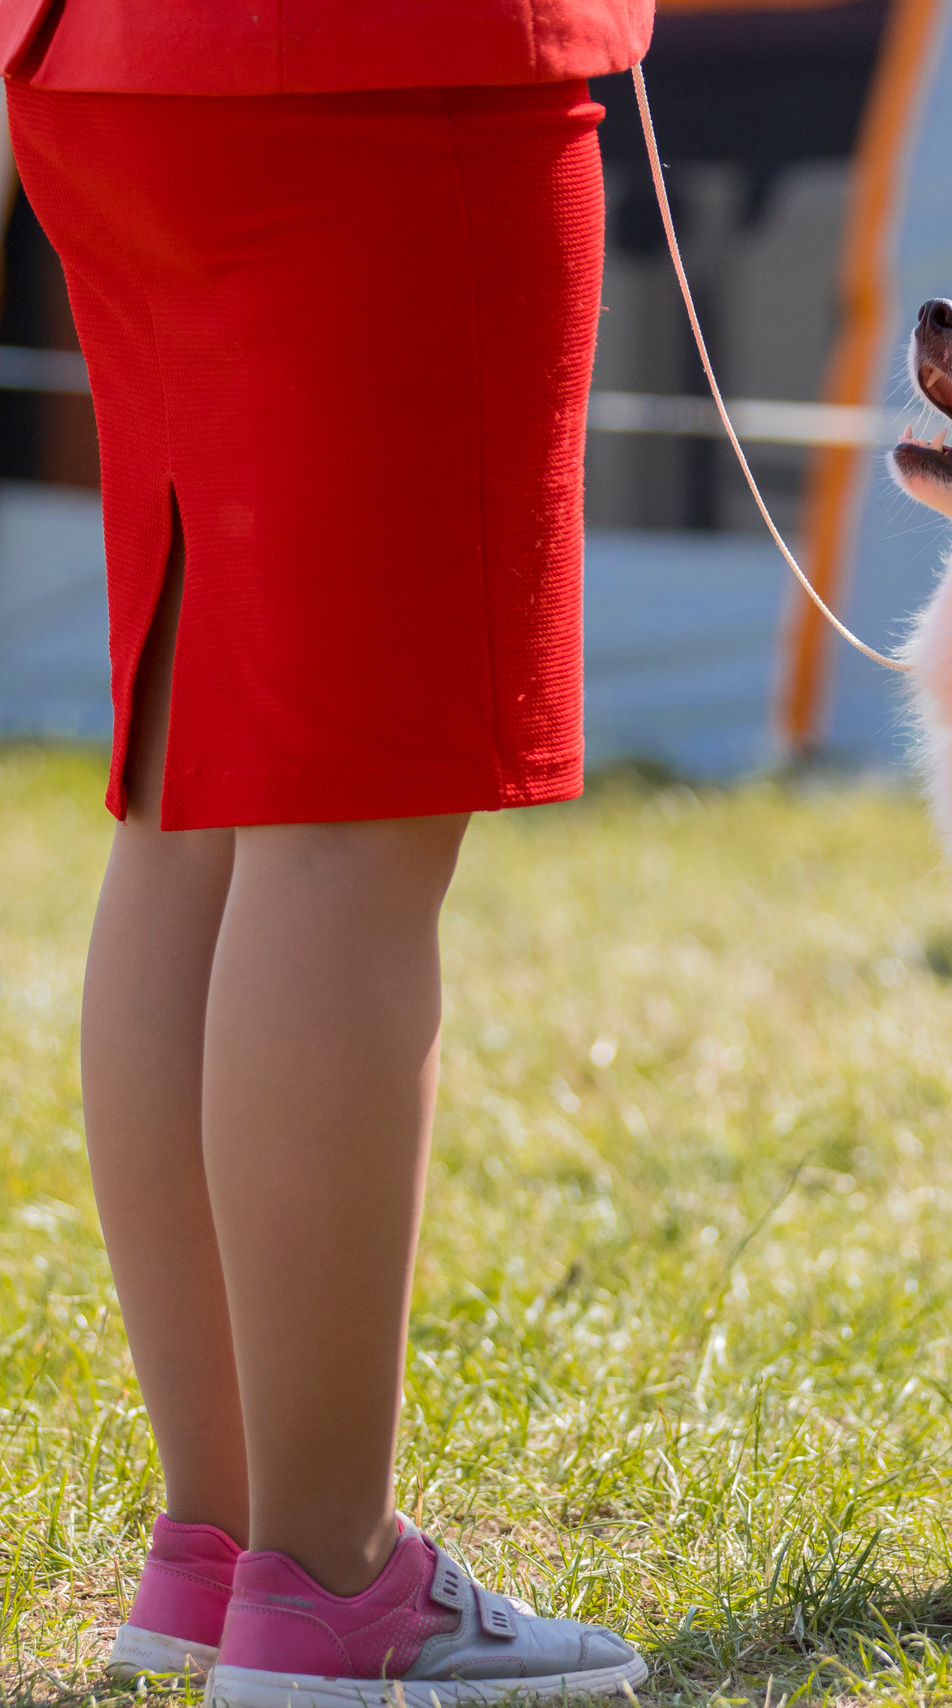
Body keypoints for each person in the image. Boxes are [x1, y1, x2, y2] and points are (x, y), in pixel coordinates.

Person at [2, 0, 655, 1698]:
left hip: (105, 70)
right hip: (380, 69)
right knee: (343, 832)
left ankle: (223, 1547)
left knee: (190, 802)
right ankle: (327, 1579)